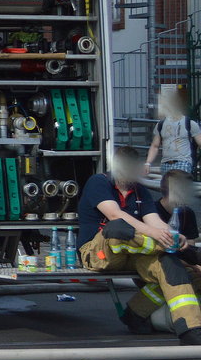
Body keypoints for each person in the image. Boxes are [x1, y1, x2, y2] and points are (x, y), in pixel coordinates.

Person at [77, 145, 201, 344]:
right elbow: (114, 215)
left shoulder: (140, 191)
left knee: (172, 266)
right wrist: (163, 239)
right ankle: (186, 253)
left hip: (133, 253)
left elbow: (155, 222)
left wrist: (174, 236)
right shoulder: (98, 182)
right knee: (117, 228)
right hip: (99, 252)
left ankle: (189, 330)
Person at [145, 88, 201, 177]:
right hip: (165, 163)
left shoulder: (190, 124)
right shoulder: (160, 124)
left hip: (183, 162)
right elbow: (155, 146)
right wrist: (148, 163)